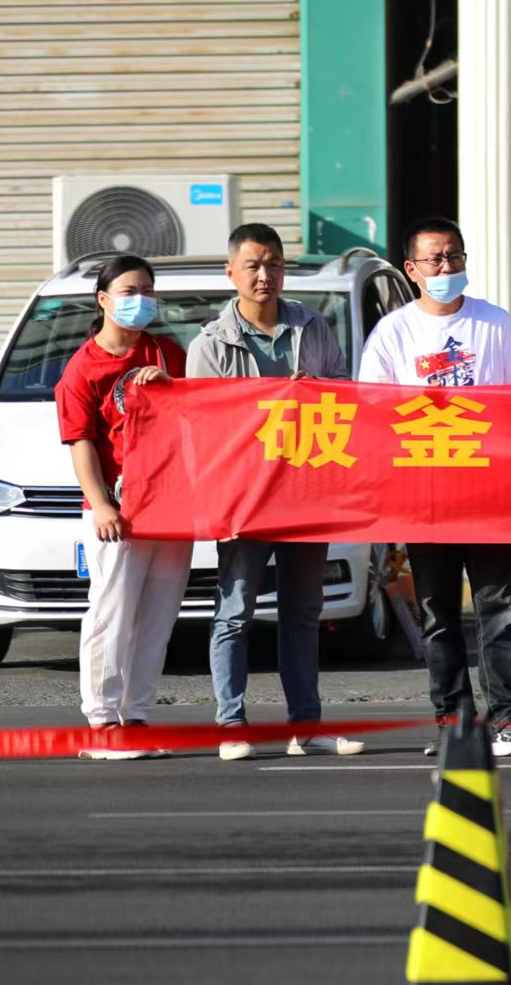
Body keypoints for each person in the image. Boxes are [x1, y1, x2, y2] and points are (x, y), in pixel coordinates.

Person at [359, 217, 511, 758]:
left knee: (500, 610)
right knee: (438, 614)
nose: (447, 267)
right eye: (435, 259)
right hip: (425, 499)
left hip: (493, 496)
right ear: (412, 269)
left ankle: (509, 720)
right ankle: (453, 722)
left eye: (455, 257)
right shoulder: (393, 333)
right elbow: (371, 412)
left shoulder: (495, 323)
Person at [185, 223, 364, 760]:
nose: (265, 275)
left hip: (305, 494)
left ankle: (305, 727)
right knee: (235, 612)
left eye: (274, 265)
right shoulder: (210, 344)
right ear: (231, 272)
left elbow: (345, 395)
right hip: (243, 499)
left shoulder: (312, 325)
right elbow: (201, 430)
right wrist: (217, 504)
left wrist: (319, 392)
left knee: (303, 613)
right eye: (253, 266)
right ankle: (231, 725)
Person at [60, 254, 185, 760]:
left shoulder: (167, 353)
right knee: (111, 613)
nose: (141, 300)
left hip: (170, 509)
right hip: (120, 509)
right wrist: (100, 504)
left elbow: (199, 414)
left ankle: (136, 715)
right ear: (103, 300)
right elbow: (80, 443)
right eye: (130, 292)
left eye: (148, 291)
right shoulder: (83, 367)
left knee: (157, 616)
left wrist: (170, 388)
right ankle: (102, 720)